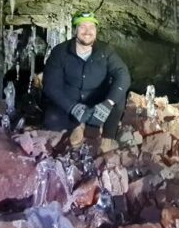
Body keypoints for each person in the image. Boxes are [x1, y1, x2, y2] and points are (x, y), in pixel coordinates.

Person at [42, 11, 131, 139]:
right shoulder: (60, 52)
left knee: (118, 96)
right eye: (82, 27)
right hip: (70, 102)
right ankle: (69, 136)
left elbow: (123, 74)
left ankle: (108, 139)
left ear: (96, 30)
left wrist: (107, 103)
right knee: (52, 120)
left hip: (98, 104)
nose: (87, 31)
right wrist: (72, 107)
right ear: (75, 30)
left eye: (91, 27)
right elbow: (51, 86)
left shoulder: (105, 50)